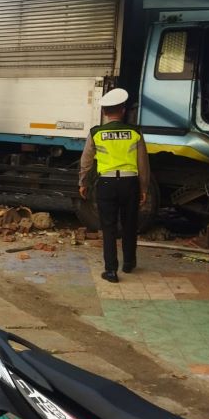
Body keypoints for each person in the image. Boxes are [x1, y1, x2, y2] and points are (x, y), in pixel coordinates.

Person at [79, 88, 151, 283]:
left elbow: (86, 161)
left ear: (104, 112)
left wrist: (83, 182)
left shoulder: (96, 133)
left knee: (108, 227)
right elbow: (143, 163)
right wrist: (144, 188)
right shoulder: (135, 133)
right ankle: (129, 263)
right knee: (130, 224)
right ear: (123, 110)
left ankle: (111, 271)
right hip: (130, 183)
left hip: (106, 183)